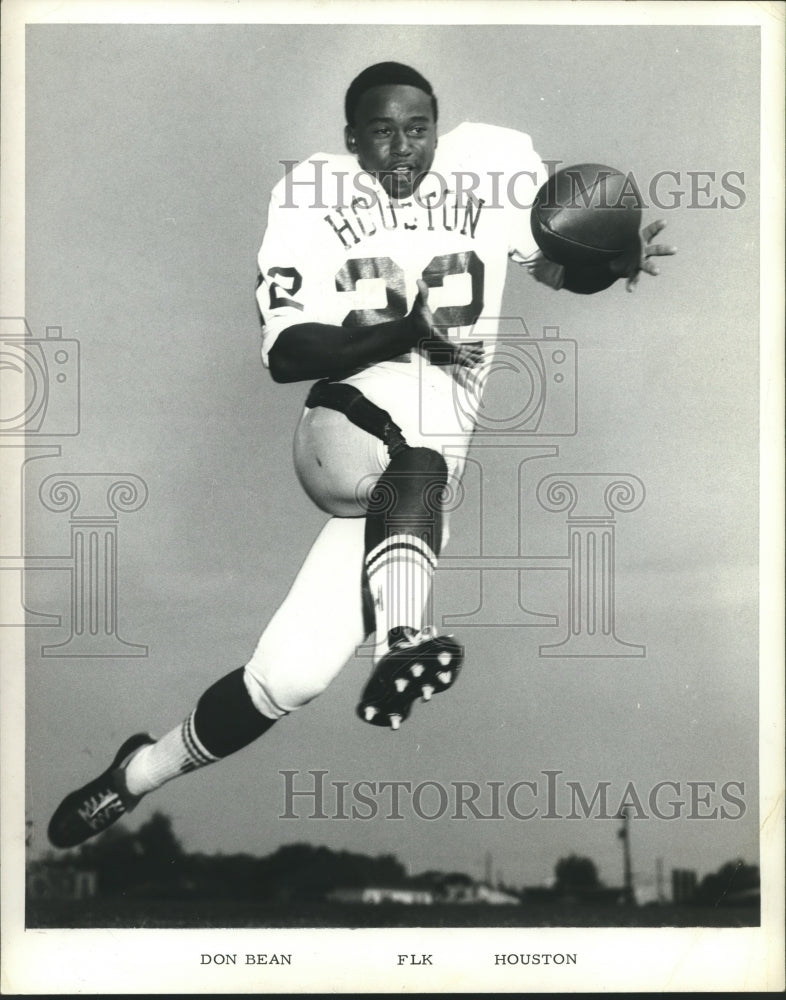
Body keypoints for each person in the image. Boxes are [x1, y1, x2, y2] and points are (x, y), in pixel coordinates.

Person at [48, 62, 674, 849]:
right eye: (382, 131)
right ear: (352, 139)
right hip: (343, 424)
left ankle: (132, 775)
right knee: (414, 464)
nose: (403, 147)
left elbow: (551, 262)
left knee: (289, 678)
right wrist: (400, 334)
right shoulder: (311, 194)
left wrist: (607, 262)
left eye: (418, 128)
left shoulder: (492, 161)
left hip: (410, 497)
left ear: (438, 128)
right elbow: (285, 353)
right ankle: (405, 639)